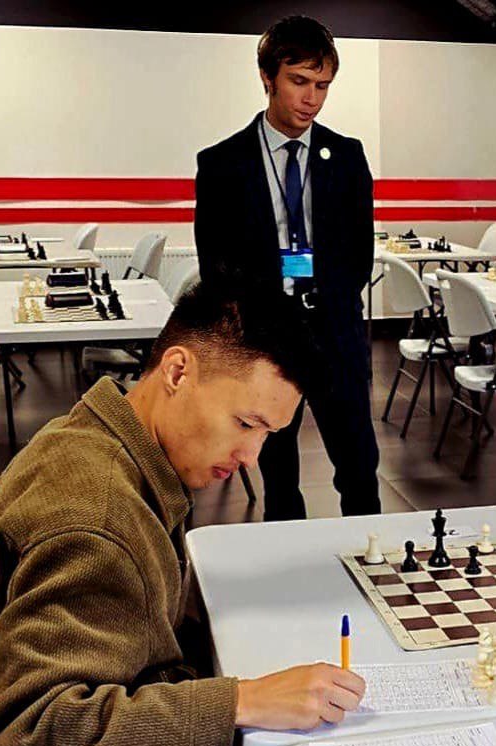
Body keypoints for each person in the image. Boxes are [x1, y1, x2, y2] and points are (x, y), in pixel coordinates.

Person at [0, 285, 366, 746]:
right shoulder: (98, 522)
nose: (252, 456)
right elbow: (29, 735)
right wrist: (243, 701)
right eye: (246, 423)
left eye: (268, 434)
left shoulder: (101, 440)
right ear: (177, 371)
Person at [194, 15, 379, 520]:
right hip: (267, 338)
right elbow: (217, 268)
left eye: (323, 85)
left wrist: (327, 303)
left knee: (359, 468)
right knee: (279, 474)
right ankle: (288, 559)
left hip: (335, 334)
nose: (311, 99)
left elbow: (359, 256)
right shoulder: (222, 164)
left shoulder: (346, 157)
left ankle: (373, 559)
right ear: (268, 78)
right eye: (299, 81)